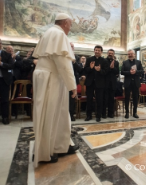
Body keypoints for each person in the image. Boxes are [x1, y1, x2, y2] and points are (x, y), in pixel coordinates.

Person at [32, 13, 79, 167]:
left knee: (59, 113)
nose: (70, 28)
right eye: (70, 25)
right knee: (50, 114)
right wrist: (73, 86)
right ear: (66, 22)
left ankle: (61, 145)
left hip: (48, 76)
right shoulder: (59, 34)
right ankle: (47, 152)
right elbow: (63, 64)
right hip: (51, 78)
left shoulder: (48, 33)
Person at [84, 45, 109, 122]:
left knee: (99, 100)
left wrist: (99, 70)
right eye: (96, 50)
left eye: (98, 50)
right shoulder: (89, 59)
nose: (97, 51)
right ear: (94, 51)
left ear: (101, 52)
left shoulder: (104, 61)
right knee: (89, 99)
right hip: (90, 83)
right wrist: (91, 68)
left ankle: (98, 116)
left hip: (100, 83)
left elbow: (106, 72)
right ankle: (89, 115)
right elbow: (85, 70)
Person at [121, 49, 144, 118]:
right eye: (129, 54)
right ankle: (127, 112)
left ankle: (135, 112)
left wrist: (135, 72)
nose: (130, 55)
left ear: (134, 54)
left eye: (131, 54)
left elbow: (142, 71)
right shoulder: (125, 62)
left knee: (135, 98)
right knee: (127, 98)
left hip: (136, 82)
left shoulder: (138, 62)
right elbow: (122, 72)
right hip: (128, 82)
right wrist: (129, 72)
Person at [103, 49, 119, 118]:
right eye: (109, 53)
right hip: (105, 83)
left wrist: (113, 68)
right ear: (107, 53)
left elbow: (117, 72)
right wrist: (110, 68)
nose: (110, 54)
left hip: (113, 83)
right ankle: (103, 114)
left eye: (112, 53)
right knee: (105, 99)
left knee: (111, 99)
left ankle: (110, 113)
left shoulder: (116, 62)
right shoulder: (104, 61)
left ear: (113, 54)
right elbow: (104, 72)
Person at [69, 43, 82, 121]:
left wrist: (74, 61)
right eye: (70, 46)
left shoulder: (76, 57)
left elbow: (80, 69)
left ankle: (71, 114)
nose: (71, 47)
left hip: (73, 80)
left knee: (72, 98)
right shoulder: (63, 56)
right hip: (63, 80)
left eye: (72, 46)